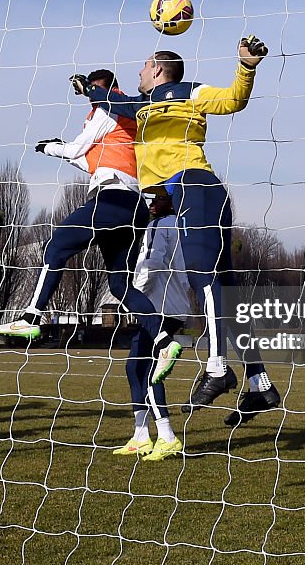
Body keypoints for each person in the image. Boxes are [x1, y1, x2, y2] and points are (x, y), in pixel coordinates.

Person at [77, 36, 280, 416]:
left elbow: (233, 99)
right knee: (224, 293)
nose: (138, 72)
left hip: (195, 185)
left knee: (203, 280)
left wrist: (246, 66)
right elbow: (115, 101)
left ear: (156, 69)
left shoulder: (188, 92)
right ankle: (259, 381)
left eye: (142, 66)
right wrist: (89, 90)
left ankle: (218, 368)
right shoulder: (141, 107)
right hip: (183, 194)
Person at [0, 70, 162, 346]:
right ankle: (164, 339)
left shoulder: (107, 109)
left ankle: (30, 318)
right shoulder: (123, 122)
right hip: (134, 206)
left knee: (55, 247)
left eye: (94, 89)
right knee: (119, 286)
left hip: (112, 199)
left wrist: (52, 149)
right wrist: (59, 148)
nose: (89, 95)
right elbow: (87, 161)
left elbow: (74, 150)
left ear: (109, 89)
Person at [114, 193, 188, 461]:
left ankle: (167, 436)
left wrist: (132, 298)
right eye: (149, 199)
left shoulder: (159, 226)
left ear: (171, 201)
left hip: (159, 307)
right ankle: (141, 435)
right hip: (171, 306)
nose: (151, 204)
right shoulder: (182, 226)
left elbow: (151, 263)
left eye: (157, 198)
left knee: (147, 370)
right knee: (134, 366)